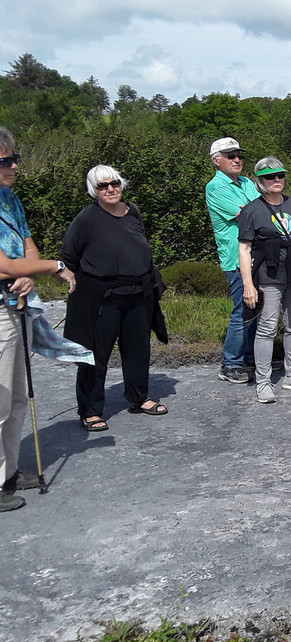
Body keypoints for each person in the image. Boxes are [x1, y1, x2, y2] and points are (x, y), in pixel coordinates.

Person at [0, 127, 77, 513]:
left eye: (14, 158)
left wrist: (28, 271)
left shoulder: (9, 198)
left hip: (14, 303)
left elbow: (25, 243)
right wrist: (54, 266)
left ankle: (8, 472)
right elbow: (2, 265)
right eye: (5, 161)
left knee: (15, 396)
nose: (14, 166)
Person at [62, 165, 169, 432]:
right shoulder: (87, 217)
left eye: (114, 183)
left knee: (138, 349)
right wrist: (70, 281)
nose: (110, 189)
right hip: (101, 296)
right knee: (95, 354)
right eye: (102, 186)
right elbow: (69, 256)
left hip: (138, 293)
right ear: (93, 191)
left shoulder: (132, 211)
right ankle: (90, 410)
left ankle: (138, 398)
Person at [238, 157, 291, 405]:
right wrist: (249, 285)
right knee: (267, 327)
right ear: (260, 181)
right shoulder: (252, 210)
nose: (276, 180)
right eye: (270, 177)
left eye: (280, 175)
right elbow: (244, 248)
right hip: (269, 275)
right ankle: (263, 381)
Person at [204, 137, 258, 384]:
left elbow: (261, 207)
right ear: (217, 161)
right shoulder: (215, 187)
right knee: (242, 309)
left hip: (255, 255)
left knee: (256, 308)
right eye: (230, 156)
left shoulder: (246, 182)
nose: (237, 160)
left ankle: (249, 357)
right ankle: (230, 363)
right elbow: (248, 214)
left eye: (239, 155)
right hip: (236, 259)